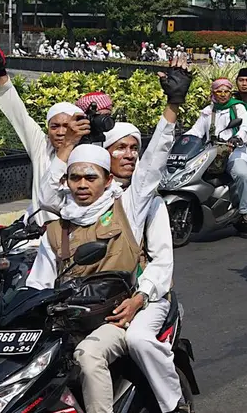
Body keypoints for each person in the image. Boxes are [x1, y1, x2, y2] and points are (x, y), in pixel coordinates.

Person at [25, 60, 192, 413]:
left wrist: (172, 107)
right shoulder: (58, 222)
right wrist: (67, 144)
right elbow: (46, 199)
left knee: (116, 347)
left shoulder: (129, 203)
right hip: (73, 309)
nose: (83, 186)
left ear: (104, 179)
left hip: (124, 303)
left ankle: (172, 404)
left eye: (91, 178)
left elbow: (152, 165)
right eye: (76, 179)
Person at [0, 45, 82, 225]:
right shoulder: (41, 147)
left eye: (66, 126)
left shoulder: (87, 154)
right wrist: (0, 73)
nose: (60, 132)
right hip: (40, 238)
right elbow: (18, 114)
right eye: (55, 126)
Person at [185, 78, 247, 227]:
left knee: (242, 174)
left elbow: (245, 128)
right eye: (219, 91)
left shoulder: (238, 108)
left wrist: (238, 138)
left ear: (230, 93)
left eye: (226, 91)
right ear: (213, 93)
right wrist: (183, 139)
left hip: (234, 150)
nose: (222, 95)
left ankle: (246, 211)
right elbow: (196, 131)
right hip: (211, 151)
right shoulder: (208, 111)